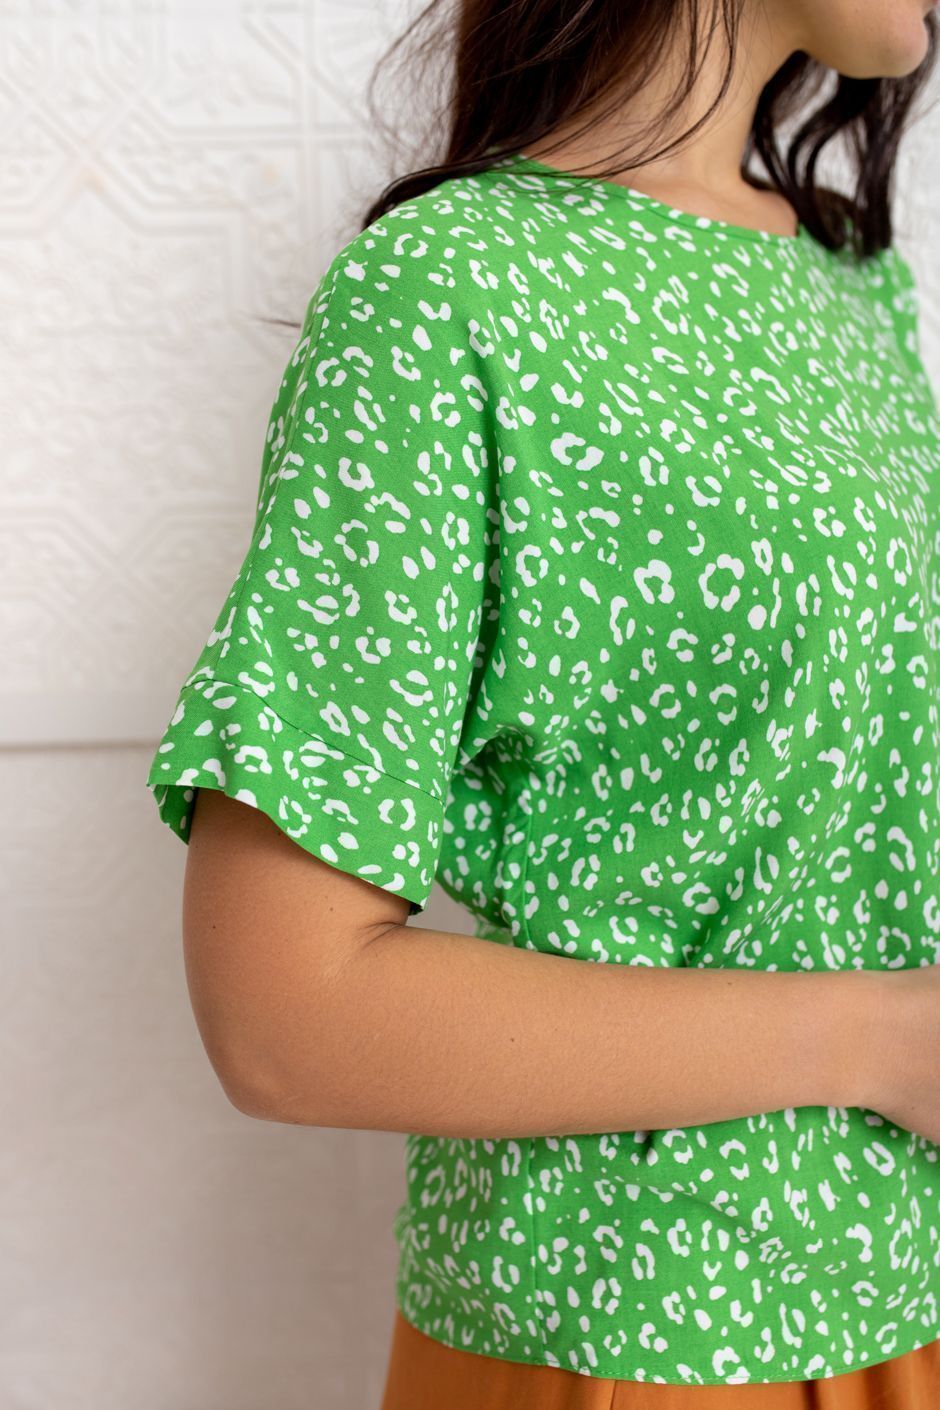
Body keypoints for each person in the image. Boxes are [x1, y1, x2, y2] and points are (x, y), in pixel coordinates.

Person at [145, 0, 940, 1403]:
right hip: (634, 1327)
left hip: (897, 1283)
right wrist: (880, 1038)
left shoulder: (847, 281)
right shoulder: (444, 292)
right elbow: (282, 1011)